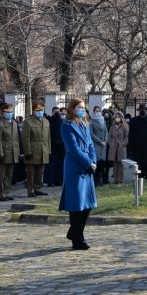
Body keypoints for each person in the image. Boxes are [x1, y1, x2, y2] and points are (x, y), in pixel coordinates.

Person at [59, 98, 99, 250]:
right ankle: (78, 239)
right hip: (75, 168)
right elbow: (73, 149)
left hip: (87, 167)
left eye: (83, 107)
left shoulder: (85, 124)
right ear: (72, 109)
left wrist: (93, 161)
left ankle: (74, 232)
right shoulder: (67, 126)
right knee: (76, 204)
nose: (82, 110)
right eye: (78, 107)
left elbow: (90, 145)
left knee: (87, 204)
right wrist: (87, 163)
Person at [22, 100, 51, 197]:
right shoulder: (28, 122)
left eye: (41, 110)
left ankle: (37, 188)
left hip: (43, 149)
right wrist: (27, 152)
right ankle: (30, 190)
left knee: (40, 171)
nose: (40, 112)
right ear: (33, 110)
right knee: (31, 172)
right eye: (37, 110)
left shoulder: (46, 121)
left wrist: (49, 150)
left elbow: (48, 138)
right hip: (33, 150)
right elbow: (26, 139)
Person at [0, 101, 20, 201]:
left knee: (9, 174)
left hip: (12, 152)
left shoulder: (14, 123)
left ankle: (6, 192)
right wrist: (0, 153)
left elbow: (16, 139)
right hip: (3, 152)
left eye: (10, 112)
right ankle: (0, 193)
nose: (9, 113)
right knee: (1, 174)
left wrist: (18, 151)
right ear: (2, 113)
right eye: (7, 112)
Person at [128, 105, 147, 178]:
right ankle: (140, 174)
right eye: (140, 110)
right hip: (137, 146)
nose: (142, 111)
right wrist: (132, 145)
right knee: (139, 161)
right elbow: (131, 134)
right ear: (138, 111)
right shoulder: (134, 120)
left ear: (146, 110)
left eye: (143, 109)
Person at [107, 112, 129, 184]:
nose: (117, 118)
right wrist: (110, 143)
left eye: (118, 117)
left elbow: (126, 137)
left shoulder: (125, 126)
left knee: (121, 163)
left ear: (121, 117)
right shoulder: (112, 126)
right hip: (113, 146)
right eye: (116, 117)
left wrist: (123, 143)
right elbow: (109, 135)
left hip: (121, 146)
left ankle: (120, 179)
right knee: (115, 163)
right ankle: (115, 179)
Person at [90, 106, 109, 186]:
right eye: (96, 111)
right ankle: (96, 181)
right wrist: (100, 141)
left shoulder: (103, 120)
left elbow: (106, 132)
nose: (98, 112)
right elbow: (91, 134)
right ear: (94, 112)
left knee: (102, 164)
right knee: (96, 164)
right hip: (96, 145)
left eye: (99, 111)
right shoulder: (91, 121)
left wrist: (105, 141)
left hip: (103, 146)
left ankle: (101, 180)